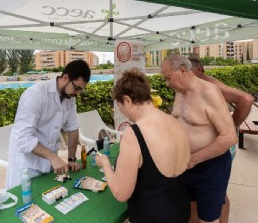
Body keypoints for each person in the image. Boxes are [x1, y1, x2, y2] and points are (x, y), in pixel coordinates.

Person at [96, 68, 191, 223]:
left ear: (127, 100)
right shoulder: (173, 120)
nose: (123, 113)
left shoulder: (133, 134)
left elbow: (121, 193)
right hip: (180, 210)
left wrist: (105, 164)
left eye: (120, 107)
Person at [161, 54, 238, 223]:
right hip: (186, 166)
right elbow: (182, 121)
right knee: (189, 214)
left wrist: (194, 159)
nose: (167, 84)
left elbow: (230, 136)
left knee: (208, 218)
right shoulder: (180, 93)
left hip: (210, 167)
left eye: (168, 78)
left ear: (182, 70)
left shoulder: (209, 92)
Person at [188, 55, 254, 223]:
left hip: (221, 147)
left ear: (198, 69)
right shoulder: (195, 87)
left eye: (188, 71)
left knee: (218, 193)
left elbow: (246, 99)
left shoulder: (211, 85)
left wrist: (232, 126)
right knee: (213, 193)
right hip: (211, 149)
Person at [6, 59, 91, 189]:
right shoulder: (35, 95)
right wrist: (52, 157)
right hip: (26, 165)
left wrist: (72, 159)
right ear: (65, 77)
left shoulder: (69, 98)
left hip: (49, 163)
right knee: (25, 204)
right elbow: (22, 138)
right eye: (77, 88)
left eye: (81, 90)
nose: (77, 94)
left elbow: (73, 129)